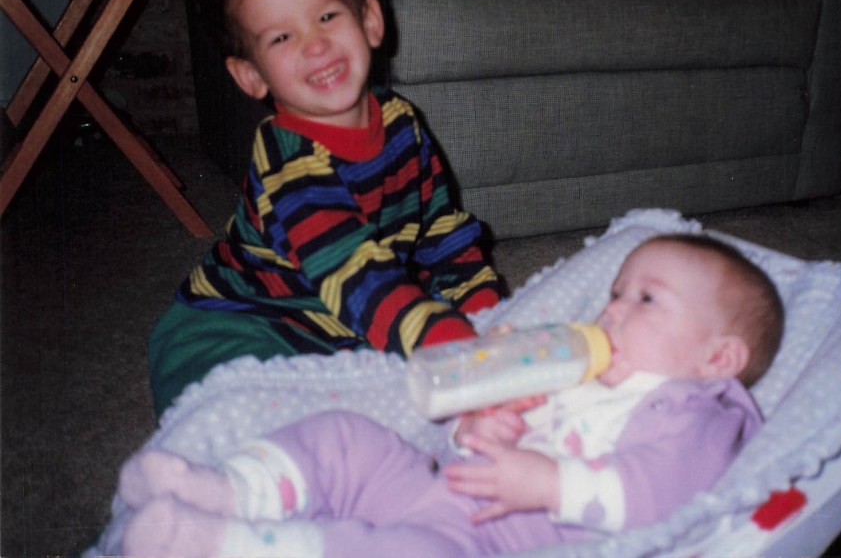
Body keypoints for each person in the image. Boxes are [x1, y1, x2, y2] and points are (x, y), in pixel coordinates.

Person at [118, 233, 784, 557]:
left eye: (646, 300)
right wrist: (484, 425)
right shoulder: (578, 373)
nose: (612, 310)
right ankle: (231, 489)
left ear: (717, 357)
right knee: (347, 436)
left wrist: (547, 482)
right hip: (435, 487)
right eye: (616, 292)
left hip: (490, 543)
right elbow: (465, 444)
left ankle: (224, 544)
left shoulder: (697, 409)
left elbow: (662, 493)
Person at [148, 0, 502, 417]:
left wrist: (487, 317)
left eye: (327, 16)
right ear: (251, 76)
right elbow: (351, 272)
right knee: (225, 408)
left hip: (347, 327)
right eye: (282, 37)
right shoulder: (286, 159)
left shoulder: (402, 122)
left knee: (408, 390)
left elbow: (441, 234)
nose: (314, 45)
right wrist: (450, 342)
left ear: (370, 20)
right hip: (247, 321)